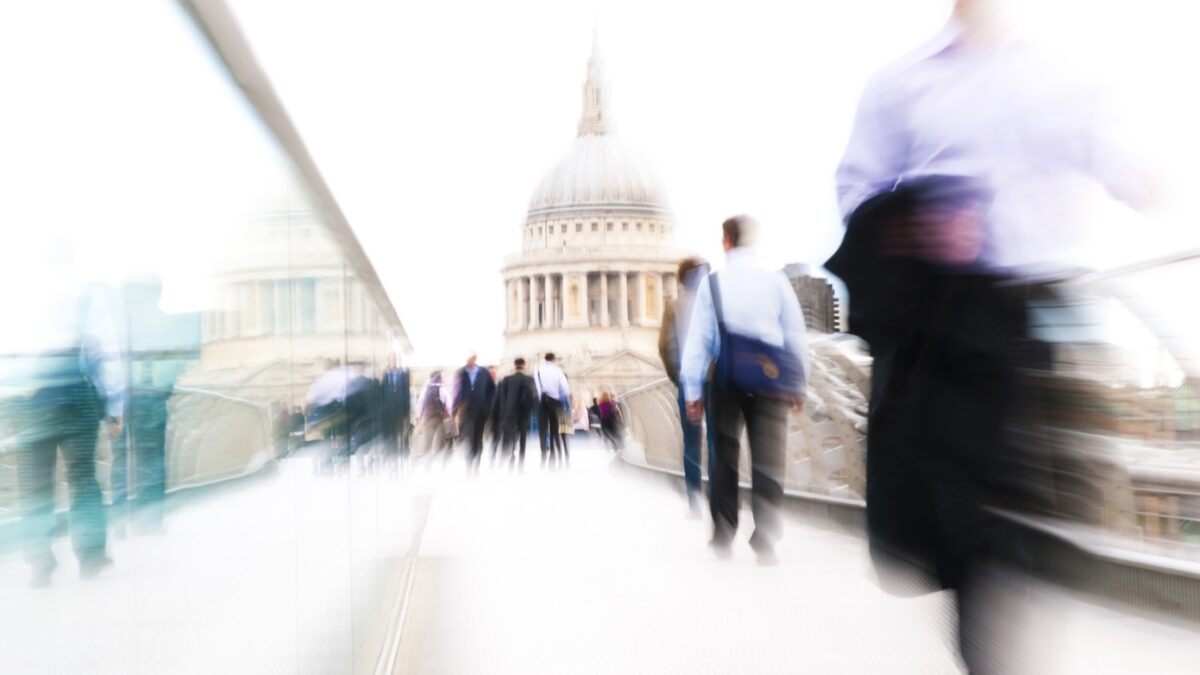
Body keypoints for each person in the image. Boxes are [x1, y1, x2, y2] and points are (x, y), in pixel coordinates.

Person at [828, 1, 1154, 670]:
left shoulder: (1061, 76)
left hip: (1040, 317)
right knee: (973, 525)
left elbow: (1129, 170)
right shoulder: (902, 83)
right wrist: (914, 223)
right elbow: (857, 190)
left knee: (1044, 508)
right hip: (948, 321)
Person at [681, 216, 809, 566]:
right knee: (769, 460)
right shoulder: (776, 282)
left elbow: (700, 341)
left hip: (727, 381)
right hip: (770, 382)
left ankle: (723, 531)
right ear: (752, 243)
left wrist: (692, 389)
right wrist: (799, 384)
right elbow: (794, 335)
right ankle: (765, 538)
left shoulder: (713, 285)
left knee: (724, 458)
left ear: (725, 241)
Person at [2, 262, 127, 585]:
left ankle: (40, 562)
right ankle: (91, 557)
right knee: (83, 478)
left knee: (34, 485)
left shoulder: (13, 294)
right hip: (74, 397)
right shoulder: (84, 296)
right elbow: (105, 352)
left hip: (26, 401)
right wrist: (114, 406)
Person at [659, 256, 717, 514]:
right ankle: (717, 494)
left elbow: (667, 346)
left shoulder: (674, 307)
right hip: (714, 380)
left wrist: (679, 376)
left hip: (687, 380)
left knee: (692, 442)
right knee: (716, 439)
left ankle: (694, 498)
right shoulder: (716, 303)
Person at [452, 352, 495, 474]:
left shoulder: (484, 372)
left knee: (478, 438)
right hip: (466, 411)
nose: (469, 360)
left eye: (471, 358)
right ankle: (469, 465)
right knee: (468, 437)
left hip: (482, 411)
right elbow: (455, 391)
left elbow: (492, 390)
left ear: (475, 359)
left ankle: (476, 464)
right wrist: (455, 410)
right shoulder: (461, 373)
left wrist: (488, 405)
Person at [492, 358, 537, 469]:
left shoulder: (506, 380)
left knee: (511, 436)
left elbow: (502, 399)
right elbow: (534, 397)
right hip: (524, 412)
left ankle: (512, 457)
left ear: (515, 365)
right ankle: (521, 461)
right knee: (523, 436)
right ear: (524, 365)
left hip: (510, 413)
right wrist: (534, 411)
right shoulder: (530, 379)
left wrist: (503, 414)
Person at [534, 352, 570, 468]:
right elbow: (566, 390)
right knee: (555, 430)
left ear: (545, 360)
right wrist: (559, 396)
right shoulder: (558, 371)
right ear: (554, 359)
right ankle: (556, 455)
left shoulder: (537, 370)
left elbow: (536, 388)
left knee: (542, 430)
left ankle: (544, 455)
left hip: (542, 402)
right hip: (555, 402)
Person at [381, 353, 411, 469]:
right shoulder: (385, 375)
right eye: (391, 359)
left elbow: (406, 395)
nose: (393, 361)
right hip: (388, 413)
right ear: (388, 361)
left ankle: (400, 460)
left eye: (395, 359)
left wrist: (406, 416)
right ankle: (392, 462)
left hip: (401, 412)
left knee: (402, 436)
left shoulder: (403, 375)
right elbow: (382, 395)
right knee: (391, 438)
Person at [416, 371, 449, 461]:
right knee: (441, 443)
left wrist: (420, 423)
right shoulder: (443, 390)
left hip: (427, 419)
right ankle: (441, 464)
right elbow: (450, 406)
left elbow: (419, 407)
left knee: (427, 444)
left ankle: (428, 466)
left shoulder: (425, 391)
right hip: (440, 420)